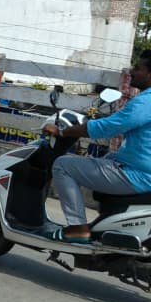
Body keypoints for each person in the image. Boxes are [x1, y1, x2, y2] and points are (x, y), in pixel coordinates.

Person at [44, 51, 151, 242]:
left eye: (137, 68)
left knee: (63, 165)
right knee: (104, 159)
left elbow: (109, 127)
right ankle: (104, 222)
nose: (132, 72)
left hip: (138, 175)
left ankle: (77, 227)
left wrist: (63, 132)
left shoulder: (146, 102)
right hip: (139, 168)